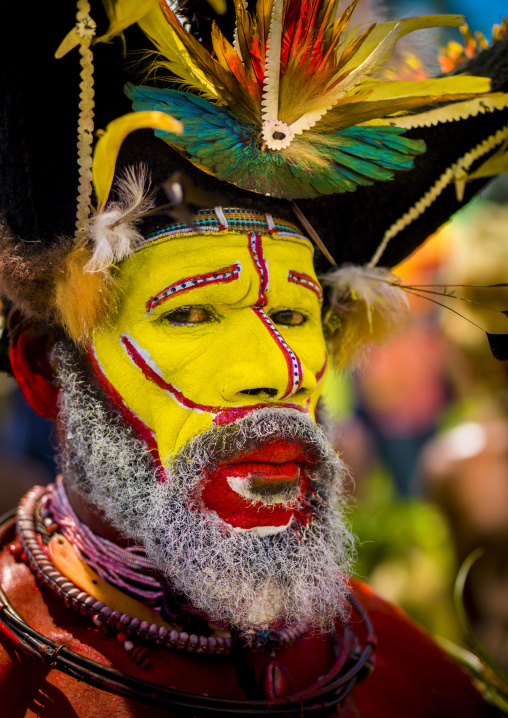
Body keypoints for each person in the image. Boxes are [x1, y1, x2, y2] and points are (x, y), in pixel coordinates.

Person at [0, 0, 507, 715]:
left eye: (295, 315)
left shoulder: (411, 675)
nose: (274, 369)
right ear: (45, 368)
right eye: (193, 312)